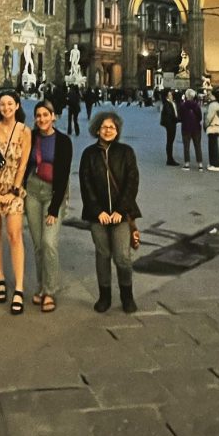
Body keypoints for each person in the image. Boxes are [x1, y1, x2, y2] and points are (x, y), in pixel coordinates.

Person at [78, 111, 140, 314]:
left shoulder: (126, 152)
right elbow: (85, 184)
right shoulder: (89, 154)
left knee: (122, 256)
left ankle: (126, 295)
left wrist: (121, 210)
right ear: (97, 129)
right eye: (104, 127)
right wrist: (98, 211)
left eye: (112, 127)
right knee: (103, 254)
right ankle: (104, 295)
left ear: (118, 130)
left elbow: (132, 182)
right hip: (98, 215)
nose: (108, 130)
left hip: (121, 215)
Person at [0, 90, 32, 315]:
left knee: (14, 234)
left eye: (10, 104)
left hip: (13, 188)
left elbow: (23, 163)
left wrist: (14, 190)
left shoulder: (24, 131)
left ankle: (18, 287)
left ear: (17, 106)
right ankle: (1, 278)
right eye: (2, 105)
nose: (6, 108)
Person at [24, 100, 72, 312]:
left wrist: (54, 208)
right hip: (33, 191)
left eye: (46, 115)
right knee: (37, 244)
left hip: (54, 192)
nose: (42, 119)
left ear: (54, 116)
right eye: (38, 115)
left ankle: (50, 291)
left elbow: (63, 176)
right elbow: (24, 164)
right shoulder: (31, 137)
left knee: (49, 242)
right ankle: (42, 286)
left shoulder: (63, 141)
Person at [178, 89, 203, 170]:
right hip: (196, 128)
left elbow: (180, 117)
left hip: (186, 127)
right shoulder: (197, 105)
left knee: (186, 146)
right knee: (197, 146)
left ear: (186, 96)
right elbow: (200, 117)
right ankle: (200, 165)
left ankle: (187, 164)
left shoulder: (183, 105)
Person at [204, 89, 219, 172]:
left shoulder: (213, 105)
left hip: (212, 127)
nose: (210, 96)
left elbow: (209, 117)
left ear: (214, 96)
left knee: (212, 146)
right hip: (218, 127)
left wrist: (205, 126)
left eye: (211, 95)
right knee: (215, 145)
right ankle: (216, 163)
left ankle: (214, 164)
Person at [160, 89, 179, 166]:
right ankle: (169, 159)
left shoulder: (171, 103)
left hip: (172, 124)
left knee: (170, 141)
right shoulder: (167, 104)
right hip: (170, 124)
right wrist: (177, 119)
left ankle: (170, 158)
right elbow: (170, 114)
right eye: (170, 95)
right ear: (167, 96)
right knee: (170, 142)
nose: (172, 95)